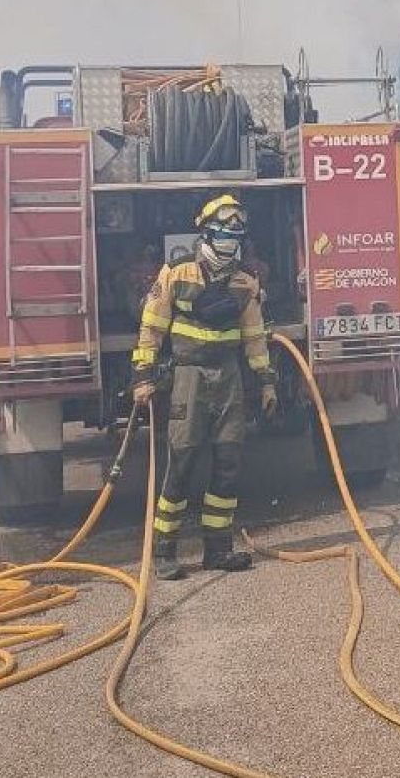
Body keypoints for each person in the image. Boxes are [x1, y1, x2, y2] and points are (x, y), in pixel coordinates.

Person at [131, 194, 278, 580]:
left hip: (228, 376)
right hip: (188, 375)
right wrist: (143, 378)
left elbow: (254, 338)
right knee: (181, 462)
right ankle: (164, 551)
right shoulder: (177, 274)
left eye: (236, 234)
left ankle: (218, 549)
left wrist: (266, 383)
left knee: (228, 464)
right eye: (223, 232)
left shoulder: (245, 283)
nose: (230, 240)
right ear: (206, 233)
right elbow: (152, 327)